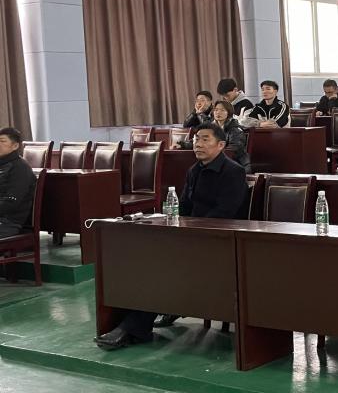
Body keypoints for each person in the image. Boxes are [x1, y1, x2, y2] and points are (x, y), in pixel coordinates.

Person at [94, 123, 249, 350]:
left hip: (220, 242)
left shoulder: (233, 172)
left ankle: (133, 328)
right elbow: (183, 206)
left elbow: (225, 212)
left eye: (205, 139)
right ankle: (132, 323)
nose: (198, 144)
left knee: (162, 266)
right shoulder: (194, 170)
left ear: (221, 145)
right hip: (191, 237)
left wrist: (191, 232)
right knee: (139, 258)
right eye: (196, 139)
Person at [0, 128, 37, 239]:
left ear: (15, 146)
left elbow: (11, 202)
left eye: (2, 141)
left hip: (9, 222)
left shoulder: (20, 168)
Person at [208, 99, 250, 173]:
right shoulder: (210, 128)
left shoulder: (235, 129)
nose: (218, 112)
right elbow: (198, 140)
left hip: (236, 164)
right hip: (218, 161)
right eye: (216, 110)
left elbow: (233, 150)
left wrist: (212, 153)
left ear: (229, 113)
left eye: (222, 110)